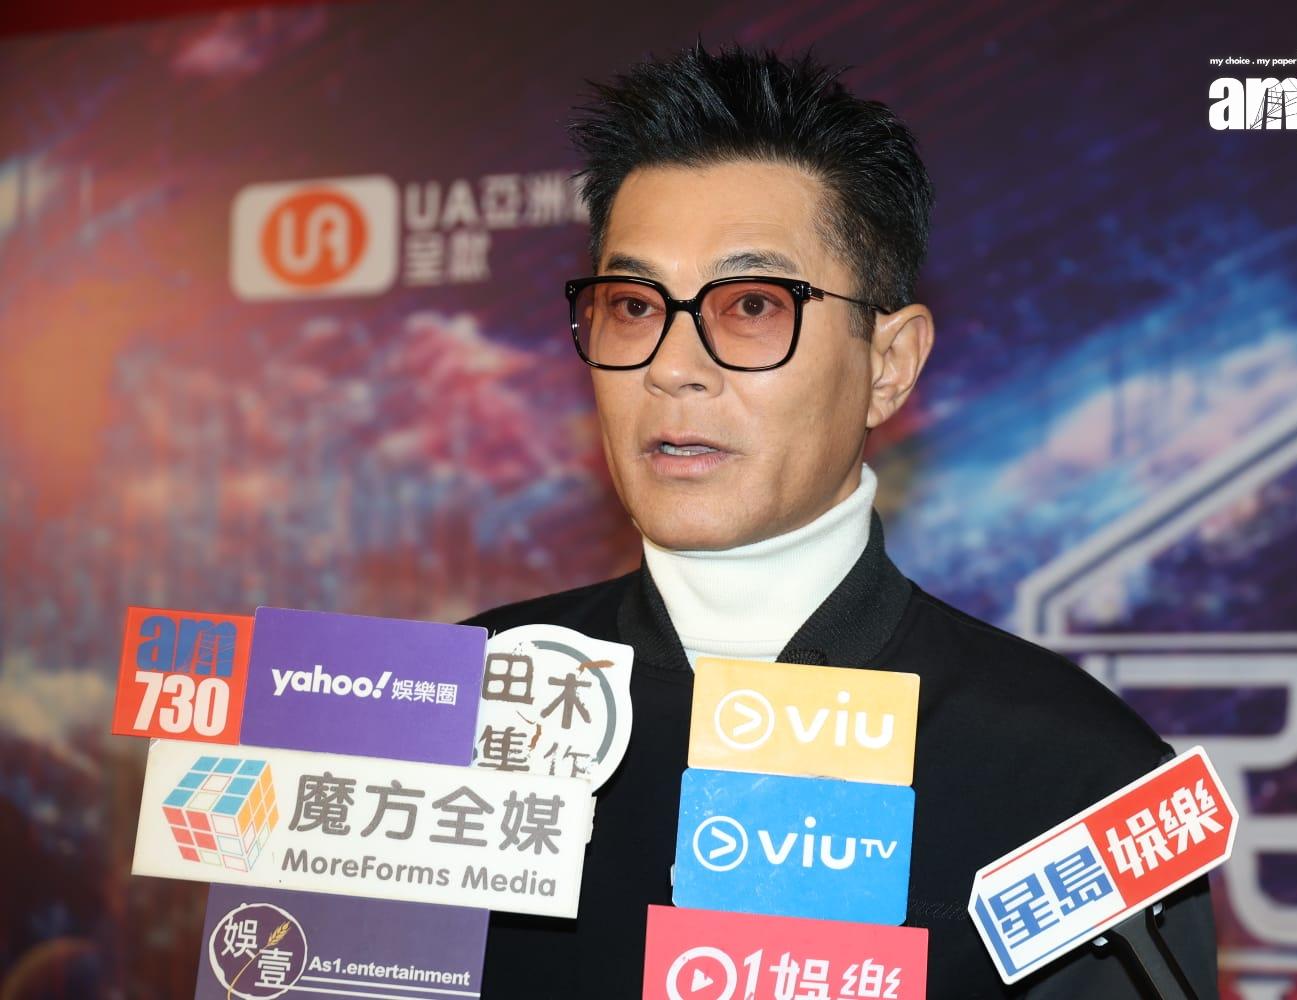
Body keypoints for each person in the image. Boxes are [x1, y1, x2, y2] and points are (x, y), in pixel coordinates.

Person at [465, 40, 1219, 998]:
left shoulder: (1070, 778)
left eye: (750, 305)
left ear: (889, 364)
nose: (672, 367)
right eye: (633, 305)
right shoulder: (462, 704)